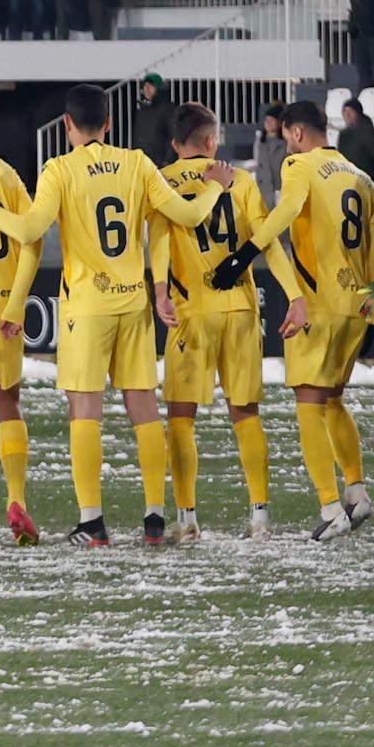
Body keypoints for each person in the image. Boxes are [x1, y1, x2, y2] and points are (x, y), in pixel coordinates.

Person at [0, 84, 228, 547]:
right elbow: (186, 215)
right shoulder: (137, 162)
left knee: (85, 412)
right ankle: (155, 518)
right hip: (133, 303)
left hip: (88, 307)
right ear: (109, 123)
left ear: (66, 125)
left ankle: (93, 523)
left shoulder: (59, 168)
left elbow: (28, 229)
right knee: (143, 412)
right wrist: (215, 188)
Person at [250, 101, 374, 538]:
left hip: (316, 303)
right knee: (332, 400)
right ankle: (357, 491)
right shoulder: (362, 178)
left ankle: (330, 508)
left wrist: (246, 251)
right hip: (355, 306)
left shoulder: (298, 165)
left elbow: (288, 210)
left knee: (308, 403)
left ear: (293, 133)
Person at [153, 100, 275, 540]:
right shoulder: (239, 180)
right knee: (245, 413)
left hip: (190, 311)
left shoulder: (162, 180)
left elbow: (160, 240)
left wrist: (161, 292)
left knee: (181, 415)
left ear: (173, 144)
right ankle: (260, 518)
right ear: (212, 140)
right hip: (240, 307)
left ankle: (186, 520)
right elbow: (264, 237)